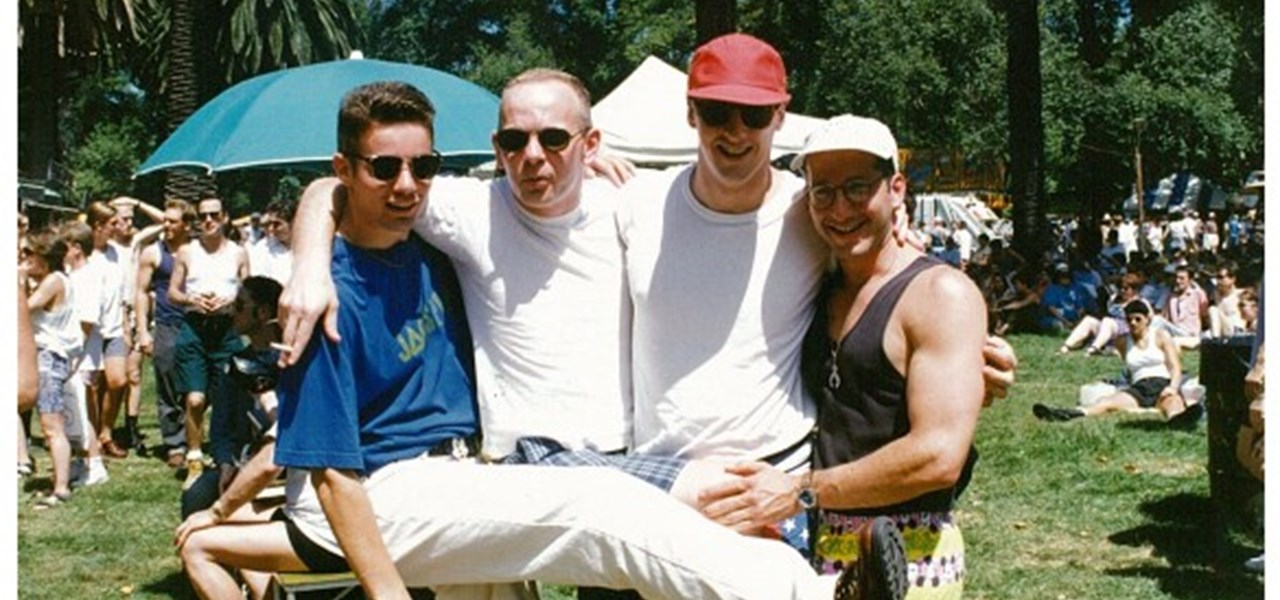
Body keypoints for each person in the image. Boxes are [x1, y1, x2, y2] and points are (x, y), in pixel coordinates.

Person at [180, 79, 873, 600]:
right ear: (344, 171)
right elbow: (332, 476)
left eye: (422, 167)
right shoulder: (326, 296)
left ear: (590, 146)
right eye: (382, 168)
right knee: (600, 511)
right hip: (393, 492)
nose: (407, 185)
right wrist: (305, 261)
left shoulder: (427, 246)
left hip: (459, 479)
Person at [696, 115, 986, 598]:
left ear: (896, 189)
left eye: (857, 188)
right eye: (822, 193)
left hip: (908, 550)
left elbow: (938, 457)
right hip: (818, 546)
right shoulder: (823, 281)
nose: (840, 209)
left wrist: (798, 491)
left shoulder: (939, 294)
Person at [169, 197, 249, 488]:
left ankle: (227, 457)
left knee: (230, 397)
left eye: (214, 214)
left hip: (227, 330)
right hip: (195, 328)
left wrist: (231, 301)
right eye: (203, 216)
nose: (209, 221)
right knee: (195, 398)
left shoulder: (239, 252)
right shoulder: (187, 252)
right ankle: (193, 457)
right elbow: (172, 293)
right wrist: (192, 299)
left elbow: (247, 292)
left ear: (225, 217)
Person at [1033, 299, 1203, 427]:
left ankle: (1178, 421)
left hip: (1162, 383)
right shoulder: (1122, 342)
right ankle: (1066, 414)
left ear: (1146, 320)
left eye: (1138, 319)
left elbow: (1175, 367)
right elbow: (1129, 366)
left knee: (1173, 404)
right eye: (1129, 320)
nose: (1133, 323)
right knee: (1106, 402)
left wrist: (1172, 387)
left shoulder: (1160, 336)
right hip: (1139, 387)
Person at [23, 229, 85, 508]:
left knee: (52, 428)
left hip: (48, 358)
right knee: (53, 426)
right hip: (52, 356)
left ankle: (60, 487)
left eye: (29, 254)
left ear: (44, 257)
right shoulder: (60, 279)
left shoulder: (52, 282)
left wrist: (18, 279)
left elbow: (22, 308)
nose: (24, 258)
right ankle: (57, 481)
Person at [136, 199, 197, 468]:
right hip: (167, 324)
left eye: (173, 221)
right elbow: (140, 292)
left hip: (196, 324)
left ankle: (194, 436)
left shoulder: (197, 251)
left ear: (186, 225)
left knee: (199, 386)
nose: (167, 225)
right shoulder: (153, 253)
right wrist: (142, 331)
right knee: (168, 384)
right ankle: (175, 443)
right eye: (165, 220)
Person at [247, 198, 295, 285]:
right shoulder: (262, 249)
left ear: (293, 223)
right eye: (269, 224)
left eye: (277, 224)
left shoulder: (311, 247)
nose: (271, 229)